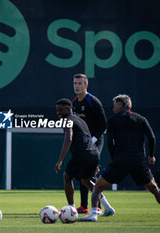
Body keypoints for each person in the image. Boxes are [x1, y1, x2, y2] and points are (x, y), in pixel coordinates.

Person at [81, 94, 160, 222]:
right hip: (138, 161)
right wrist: (151, 155)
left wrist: (115, 158)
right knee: (154, 188)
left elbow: (110, 142)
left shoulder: (112, 120)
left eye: (115, 103)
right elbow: (151, 137)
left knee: (98, 186)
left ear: (121, 104)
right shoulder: (140, 119)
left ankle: (93, 214)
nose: (113, 107)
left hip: (120, 161)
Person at [54, 98, 115, 217]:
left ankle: (71, 210)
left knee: (67, 176)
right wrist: (93, 162)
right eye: (57, 111)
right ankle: (108, 207)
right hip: (93, 153)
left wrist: (60, 160)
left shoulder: (67, 120)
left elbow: (69, 138)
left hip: (82, 154)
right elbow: (87, 139)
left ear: (68, 108)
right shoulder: (80, 120)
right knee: (86, 180)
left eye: (61, 110)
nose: (58, 113)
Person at [72, 73, 107, 214]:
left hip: (96, 140)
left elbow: (103, 124)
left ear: (86, 85)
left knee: (90, 172)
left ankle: (97, 206)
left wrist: (93, 140)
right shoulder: (74, 103)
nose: (77, 86)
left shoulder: (92, 101)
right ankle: (84, 206)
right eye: (75, 83)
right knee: (82, 172)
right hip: (83, 143)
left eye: (80, 83)